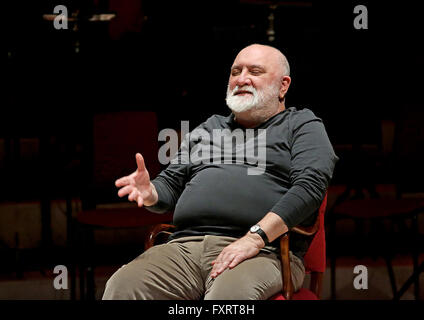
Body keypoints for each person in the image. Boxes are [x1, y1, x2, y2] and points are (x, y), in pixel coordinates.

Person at [102, 44, 338, 300]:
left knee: (227, 298)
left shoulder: (302, 125)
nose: (241, 78)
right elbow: (169, 188)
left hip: (264, 252)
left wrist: (255, 238)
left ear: (283, 86)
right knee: (122, 286)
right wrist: (150, 192)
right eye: (236, 71)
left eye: (255, 71)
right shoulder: (208, 128)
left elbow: (310, 187)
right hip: (183, 248)